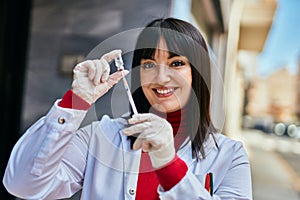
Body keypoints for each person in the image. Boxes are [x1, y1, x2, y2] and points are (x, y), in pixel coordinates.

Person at [3, 18, 252, 199]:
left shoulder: (229, 156)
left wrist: (169, 165)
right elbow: (23, 184)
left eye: (176, 63)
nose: (161, 78)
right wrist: (75, 102)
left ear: (197, 73)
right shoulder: (100, 136)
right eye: (149, 64)